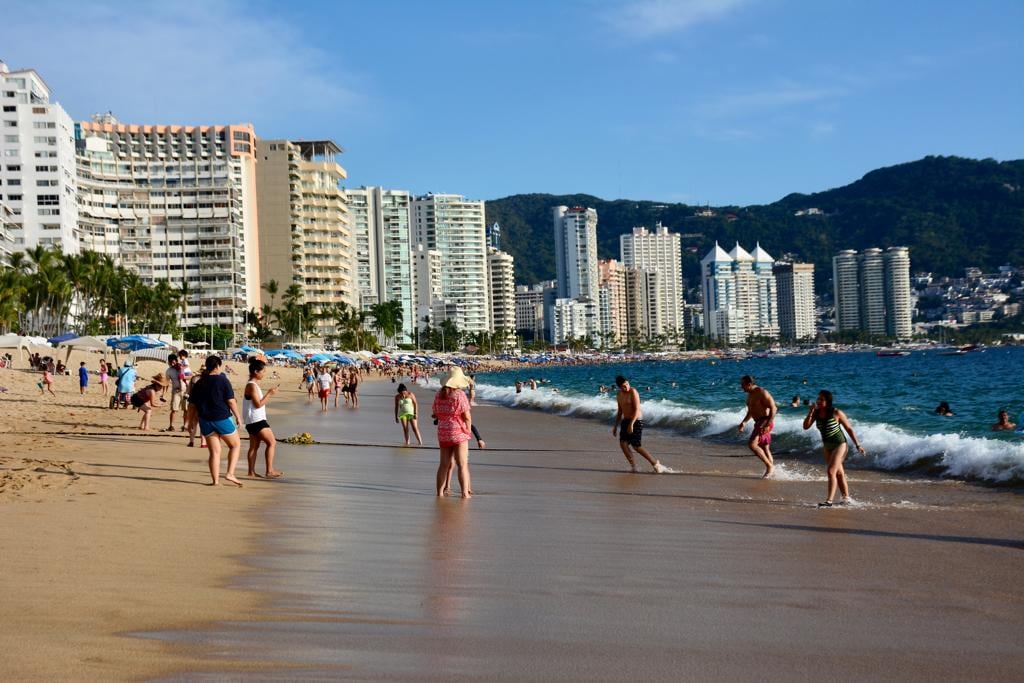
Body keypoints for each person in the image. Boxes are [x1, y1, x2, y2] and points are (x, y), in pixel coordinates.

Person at [803, 390, 866, 507]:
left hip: (840, 444)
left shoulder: (836, 412)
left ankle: (829, 501)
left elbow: (849, 429)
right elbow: (805, 427)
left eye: (821, 399)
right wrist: (811, 412)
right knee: (839, 473)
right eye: (818, 399)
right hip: (827, 446)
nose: (818, 401)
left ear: (828, 401)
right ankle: (846, 498)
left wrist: (858, 445)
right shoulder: (816, 413)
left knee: (831, 471)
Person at [188, 355, 244, 487]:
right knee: (235, 445)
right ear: (218, 366)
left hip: (205, 421)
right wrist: (238, 416)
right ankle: (230, 473)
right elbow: (230, 401)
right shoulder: (222, 380)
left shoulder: (199, 382)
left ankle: (216, 481)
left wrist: (190, 421)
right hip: (221, 418)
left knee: (214, 452)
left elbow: (192, 405)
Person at [432, 367, 473, 498]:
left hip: (443, 431)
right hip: (458, 431)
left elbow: (435, 414)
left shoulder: (439, 394)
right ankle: (465, 493)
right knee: (462, 465)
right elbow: (467, 416)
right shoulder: (459, 395)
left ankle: (439, 492)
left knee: (443, 465)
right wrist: (468, 431)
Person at [612, 375, 665, 473]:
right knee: (623, 444)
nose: (627, 387)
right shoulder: (619, 394)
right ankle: (634, 467)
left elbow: (637, 409)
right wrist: (615, 426)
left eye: (627, 384)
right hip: (625, 421)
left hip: (636, 420)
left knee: (636, 446)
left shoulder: (633, 392)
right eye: (624, 386)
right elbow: (620, 411)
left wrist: (631, 424)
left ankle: (655, 463)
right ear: (619, 387)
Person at [244, 358, 282, 478]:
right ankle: (269, 470)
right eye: (263, 371)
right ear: (256, 371)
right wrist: (269, 394)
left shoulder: (252, 385)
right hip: (256, 420)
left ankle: (251, 472)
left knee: (254, 446)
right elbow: (258, 404)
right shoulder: (252, 386)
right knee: (272, 442)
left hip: (251, 420)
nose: (264, 374)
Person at [737, 375, 777, 478]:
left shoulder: (762, 392)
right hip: (758, 422)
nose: (741, 387)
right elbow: (751, 411)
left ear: (749, 384)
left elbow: (774, 408)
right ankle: (772, 470)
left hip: (765, 421)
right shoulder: (750, 394)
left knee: (752, 444)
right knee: (764, 447)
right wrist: (744, 422)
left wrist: (767, 424)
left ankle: (769, 466)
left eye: (743, 385)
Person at [164, 354, 184, 432]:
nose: (172, 364)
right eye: (170, 362)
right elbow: (167, 383)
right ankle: (171, 425)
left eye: (173, 362)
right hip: (175, 391)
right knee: (174, 409)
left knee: (186, 410)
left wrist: (183, 378)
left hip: (185, 390)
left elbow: (190, 376)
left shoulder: (183, 368)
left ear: (176, 361)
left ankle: (185, 426)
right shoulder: (169, 371)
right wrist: (164, 394)